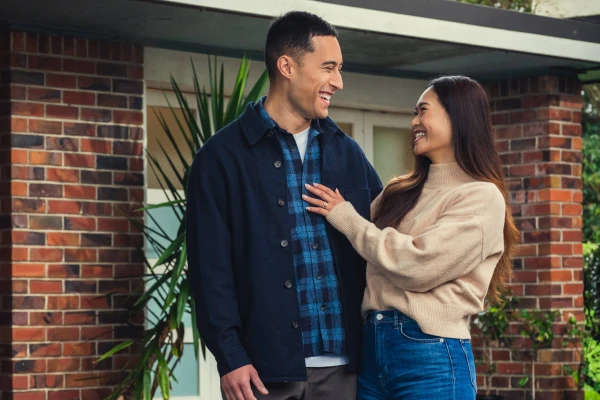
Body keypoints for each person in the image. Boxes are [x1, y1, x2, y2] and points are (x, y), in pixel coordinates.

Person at [186, 11, 383, 400]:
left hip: (347, 369)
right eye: (328, 67)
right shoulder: (220, 159)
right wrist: (230, 356)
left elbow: (385, 238)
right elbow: (210, 270)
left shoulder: (348, 153)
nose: (338, 82)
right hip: (261, 372)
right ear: (287, 66)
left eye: (339, 69)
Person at [303, 75, 519, 400]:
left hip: (431, 354)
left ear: (458, 116)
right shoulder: (398, 192)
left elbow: (417, 265)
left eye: (423, 111)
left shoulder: (481, 197)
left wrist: (345, 217)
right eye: (414, 113)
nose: (414, 122)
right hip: (372, 349)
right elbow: (361, 246)